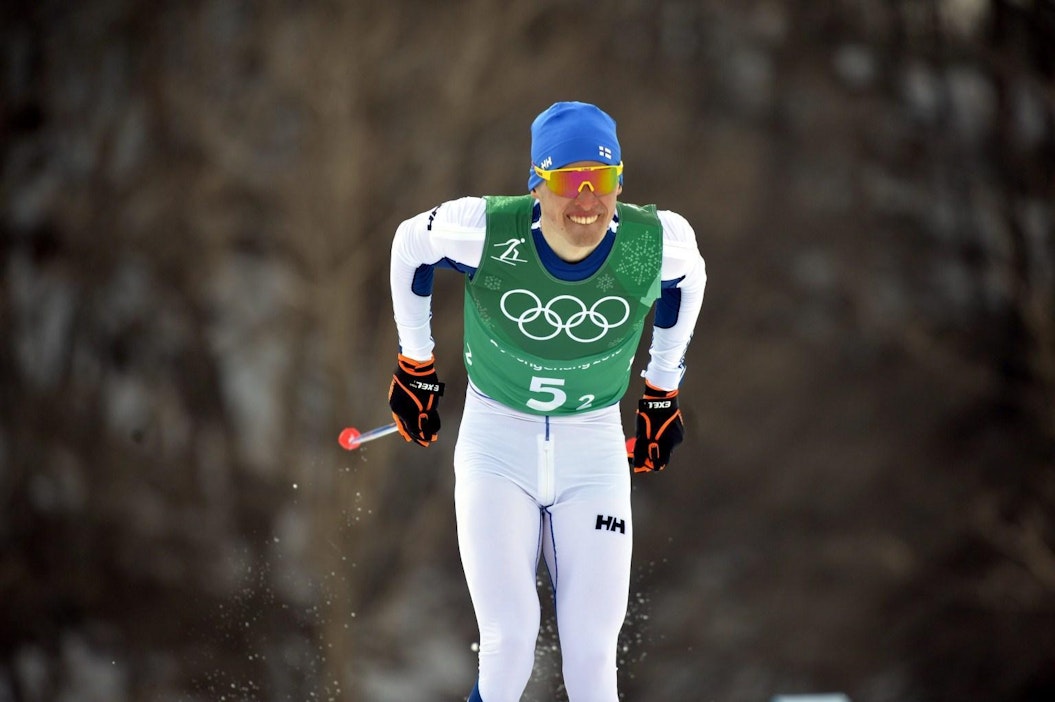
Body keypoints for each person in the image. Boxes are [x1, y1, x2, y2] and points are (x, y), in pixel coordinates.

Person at [387, 101, 706, 702]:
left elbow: (690, 280)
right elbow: (410, 246)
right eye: (568, 180)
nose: (587, 199)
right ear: (537, 183)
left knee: (592, 661)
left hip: (593, 448)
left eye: (603, 179)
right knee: (510, 642)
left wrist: (663, 390)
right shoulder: (488, 231)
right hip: (496, 444)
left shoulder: (647, 245)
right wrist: (415, 362)